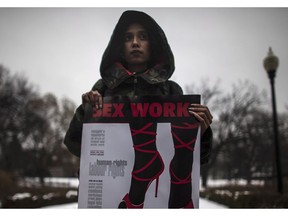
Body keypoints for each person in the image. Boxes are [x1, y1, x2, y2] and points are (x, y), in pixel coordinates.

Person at [64, 10, 213, 208]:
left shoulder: (170, 90)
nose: (135, 42)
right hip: (105, 193)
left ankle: (155, 177)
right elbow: (74, 144)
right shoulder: (103, 88)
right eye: (128, 38)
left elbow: (199, 158)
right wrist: (86, 113)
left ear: (153, 44)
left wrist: (200, 132)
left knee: (177, 162)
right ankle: (148, 174)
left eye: (143, 36)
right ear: (120, 46)